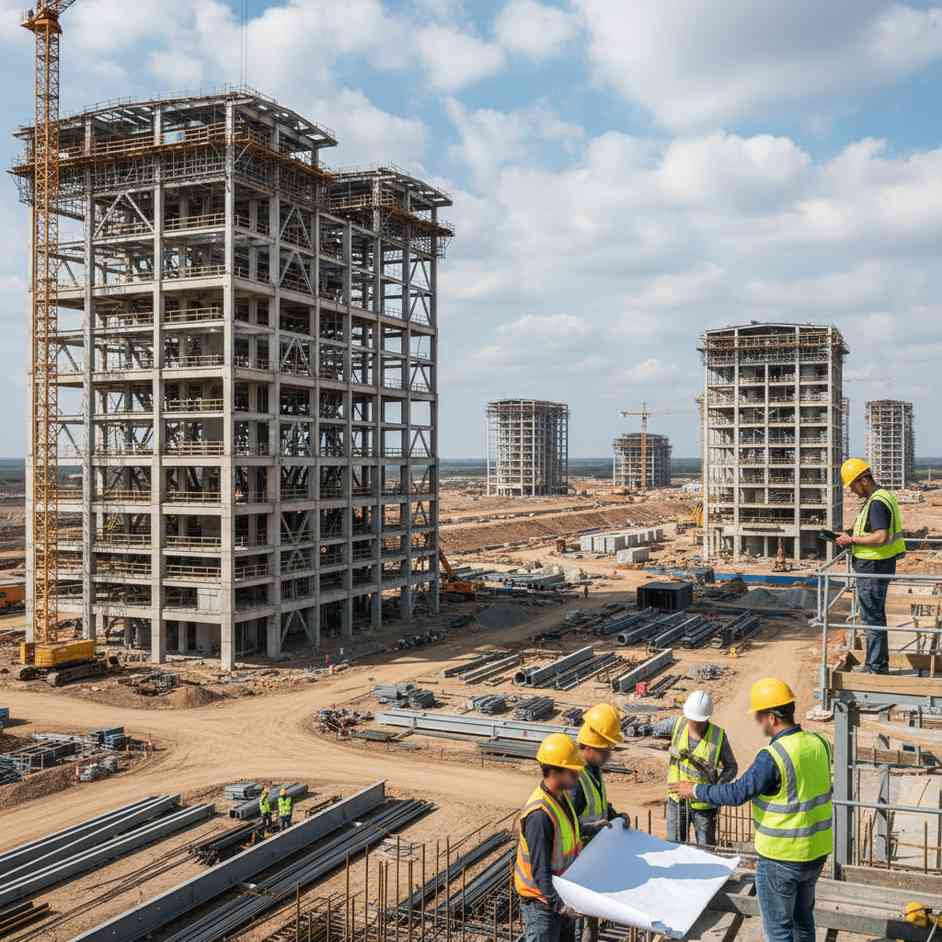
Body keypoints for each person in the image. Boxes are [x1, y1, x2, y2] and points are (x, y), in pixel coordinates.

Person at [668, 678, 832, 942]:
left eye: (759, 716)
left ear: (772, 717)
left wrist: (695, 790)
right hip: (816, 852)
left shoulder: (773, 756)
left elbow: (736, 793)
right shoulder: (819, 743)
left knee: (778, 930)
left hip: (782, 856)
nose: (757, 722)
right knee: (803, 922)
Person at [836, 458, 906, 674]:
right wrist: (851, 535)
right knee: (875, 615)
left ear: (863, 480)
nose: (853, 491)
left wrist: (852, 541)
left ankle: (875, 668)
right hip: (878, 565)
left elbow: (880, 537)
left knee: (871, 618)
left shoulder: (876, 502)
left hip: (873, 567)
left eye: (853, 486)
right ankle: (878, 664)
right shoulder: (882, 496)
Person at [515, 733, 584, 942]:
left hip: (559, 897)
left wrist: (591, 827)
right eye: (572, 772)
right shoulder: (539, 815)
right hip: (542, 905)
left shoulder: (561, 798)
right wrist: (560, 907)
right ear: (554, 771)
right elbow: (540, 870)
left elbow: (564, 836)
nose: (577, 776)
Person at [570, 704, 629, 942]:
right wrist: (591, 828)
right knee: (577, 918)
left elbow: (599, 804)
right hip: (576, 860)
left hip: (592, 855)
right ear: (591, 746)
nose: (609, 755)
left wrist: (615, 815)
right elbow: (564, 823)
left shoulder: (592, 769)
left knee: (590, 918)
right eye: (606, 749)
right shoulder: (574, 777)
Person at [662, 690, 737, 847]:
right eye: (691, 719)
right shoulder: (678, 724)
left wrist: (715, 788)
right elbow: (653, 728)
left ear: (706, 718)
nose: (693, 723)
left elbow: (731, 767)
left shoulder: (718, 736)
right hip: (677, 801)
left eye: (697, 720)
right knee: (674, 849)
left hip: (704, 805)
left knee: (706, 851)